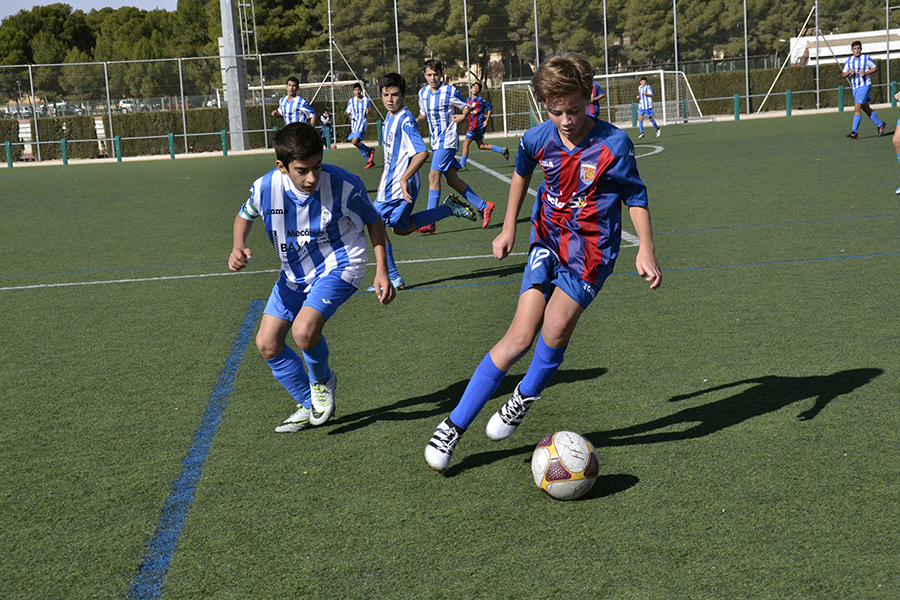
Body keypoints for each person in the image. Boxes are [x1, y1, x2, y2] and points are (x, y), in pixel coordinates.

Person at [424, 53, 662, 473]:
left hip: (590, 255)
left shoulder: (614, 144)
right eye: (557, 112)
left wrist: (646, 248)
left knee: (554, 328)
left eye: (574, 109)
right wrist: (509, 230)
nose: (567, 120)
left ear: (588, 98)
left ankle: (523, 397)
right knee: (518, 337)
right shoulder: (537, 138)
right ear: (544, 107)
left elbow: (636, 196)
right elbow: (521, 174)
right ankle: (453, 426)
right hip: (547, 241)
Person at [228, 122, 394, 433]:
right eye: (302, 170)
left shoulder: (343, 185)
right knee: (267, 343)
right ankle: (308, 402)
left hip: (340, 263)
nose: (312, 178)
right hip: (293, 273)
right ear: (282, 167)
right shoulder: (266, 188)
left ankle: (321, 382)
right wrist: (238, 246)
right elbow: (244, 215)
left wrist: (381, 269)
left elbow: (373, 220)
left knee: (304, 332)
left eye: (317, 167)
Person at [367, 73, 478, 293]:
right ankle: (448, 209)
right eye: (385, 95)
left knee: (374, 223)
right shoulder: (390, 117)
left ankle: (391, 277)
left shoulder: (405, 120)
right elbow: (390, 158)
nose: (390, 99)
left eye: (395, 95)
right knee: (401, 228)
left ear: (403, 95)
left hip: (400, 186)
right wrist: (383, 182)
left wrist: (403, 178)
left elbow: (421, 153)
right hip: (390, 184)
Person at [416, 59, 495, 232]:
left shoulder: (449, 91)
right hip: (436, 142)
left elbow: (466, 107)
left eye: (436, 74)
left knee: (433, 176)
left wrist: (462, 116)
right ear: (425, 75)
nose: (433, 78)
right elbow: (423, 115)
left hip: (448, 140)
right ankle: (484, 206)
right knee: (451, 179)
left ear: (441, 74)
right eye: (429, 75)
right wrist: (413, 122)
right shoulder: (422, 93)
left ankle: (429, 220)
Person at [459, 81, 509, 185]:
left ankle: (462, 165)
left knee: (465, 143)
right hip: (472, 126)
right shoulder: (468, 99)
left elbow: (490, 108)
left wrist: (486, 120)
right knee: (481, 146)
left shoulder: (480, 100)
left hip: (476, 127)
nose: (475, 89)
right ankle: (502, 150)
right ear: (471, 88)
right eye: (474, 87)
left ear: (479, 91)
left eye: (477, 88)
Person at [842, 41, 885, 139]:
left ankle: (854, 131)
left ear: (861, 49)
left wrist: (866, 73)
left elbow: (875, 68)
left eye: (858, 48)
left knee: (857, 108)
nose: (857, 50)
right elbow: (843, 74)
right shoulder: (849, 60)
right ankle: (880, 124)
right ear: (852, 50)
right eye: (855, 49)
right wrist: (849, 72)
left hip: (865, 85)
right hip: (855, 88)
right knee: (865, 108)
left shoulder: (866, 58)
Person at [345, 82, 376, 169]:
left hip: (362, 123)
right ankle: (369, 160)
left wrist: (368, 111)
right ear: (353, 91)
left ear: (361, 90)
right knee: (356, 143)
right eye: (355, 90)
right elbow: (347, 110)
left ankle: (370, 150)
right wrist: (346, 113)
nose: (357, 91)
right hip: (354, 125)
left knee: (355, 141)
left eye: (359, 89)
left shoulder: (367, 100)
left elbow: (369, 109)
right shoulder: (351, 101)